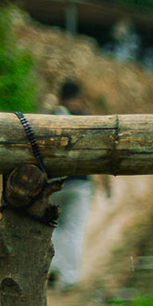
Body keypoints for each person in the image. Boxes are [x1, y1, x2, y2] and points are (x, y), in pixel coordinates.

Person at [48, 80, 94, 288]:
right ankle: (69, 276)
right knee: (75, 229)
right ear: (79, 96)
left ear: (60, 96)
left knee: (55, 227)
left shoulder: (51, 117)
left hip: (53, 183)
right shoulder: (85, 118)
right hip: (79, 184)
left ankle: (53, 267)